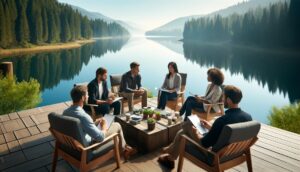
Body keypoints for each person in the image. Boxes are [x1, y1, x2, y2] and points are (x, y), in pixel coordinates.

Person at [158, 85, 252, 169]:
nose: (222, 100)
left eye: (223, 97)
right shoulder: (248, 118)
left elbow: (205, 143)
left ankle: (170, 153)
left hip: (213, 156)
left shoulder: (222, 120)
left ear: (228, 100)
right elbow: (226, 133)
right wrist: (211, 127)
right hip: (233, 153)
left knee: (187, 128)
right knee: (183, 132)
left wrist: (196, 133)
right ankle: (170, 156)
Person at [63, 85, 136, 160]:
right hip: (88, 148)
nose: (88, 96)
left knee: (107, 122)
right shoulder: (83, 116)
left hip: (74, 145)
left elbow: (81, 127)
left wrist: (94, 123)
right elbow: (100, 138)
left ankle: (125, 147)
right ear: (82, 98)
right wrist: (104, 127)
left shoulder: (65, 112)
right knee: (117, 125)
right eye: (87, 94)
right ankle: (123, 150)